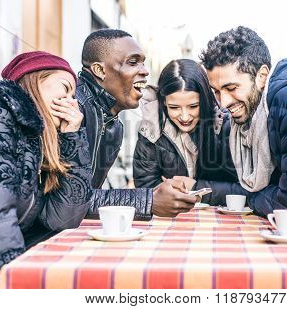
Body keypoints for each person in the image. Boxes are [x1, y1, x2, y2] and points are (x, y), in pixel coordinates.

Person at [0, 51, 92, 288]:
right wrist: (17, 289)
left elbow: (63, 218)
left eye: (74, 96)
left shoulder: (35, 141)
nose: (71, 102)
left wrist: (72, 136)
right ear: (35, 79)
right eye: (65, 88)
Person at [75, 29, 197, 220]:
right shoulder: (73, 108)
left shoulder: (114, 124)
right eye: (133, 62)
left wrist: (154, 196)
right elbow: (69, 202)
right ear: (100, 70)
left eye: (142, 62)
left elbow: (84, 199)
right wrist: (149, 201)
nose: (145, 71)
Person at [199, 26, 287, 215]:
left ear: (261, 76)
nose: (223, 102)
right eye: (216, 91)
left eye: (231, 88)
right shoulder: (242, 124)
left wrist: (252, 199)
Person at [133, 59, 244, 205]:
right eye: (174, 107)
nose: (185, 117)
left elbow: (246, 190)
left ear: (204, 100)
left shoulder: (226, 126)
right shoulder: (150, 130)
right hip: (171, 220)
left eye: (193, 106)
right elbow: (145, 189)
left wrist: (195, 187)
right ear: (164, 102)